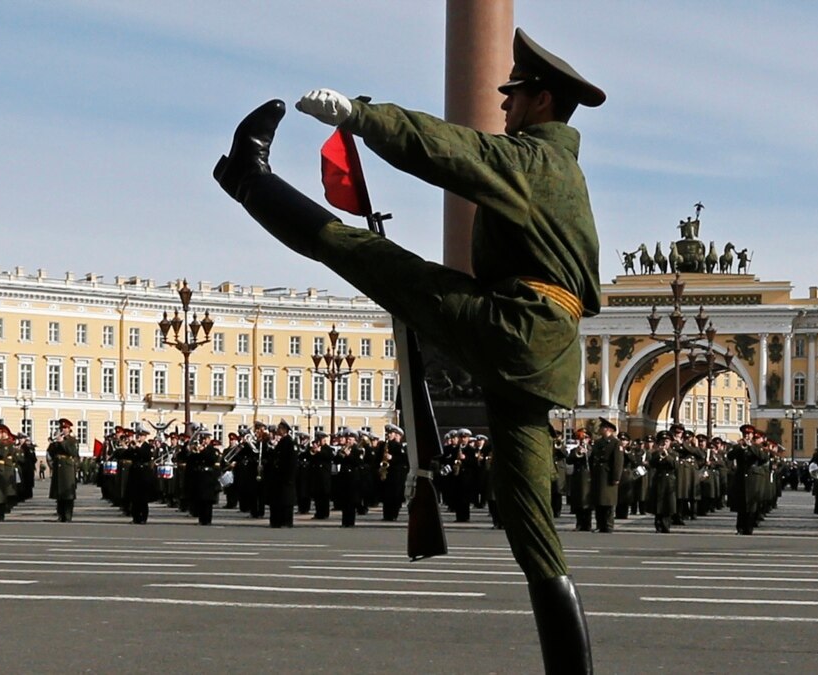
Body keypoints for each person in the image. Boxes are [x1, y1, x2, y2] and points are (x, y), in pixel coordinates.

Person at [213, 27, 602, 671]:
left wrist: (362, 117)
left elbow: (447, 151)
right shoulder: (562, 171)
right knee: (534, 530)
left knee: (373, 258)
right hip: (541, 354)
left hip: (514, 327)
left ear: (540, 101)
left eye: (512, 96)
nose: (502, 107)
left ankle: (248, 177)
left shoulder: (536, 161)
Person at [587, 419, 623, 533]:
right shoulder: (598, 442)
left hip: (608, 476)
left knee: (608, 502)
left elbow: (618, 461)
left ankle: (608, 525)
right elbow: (592, 458)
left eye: (602, 427)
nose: (600, 429)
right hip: (598, 475)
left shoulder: (615, 443)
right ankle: (599, 524)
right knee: (598, 501)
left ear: (608, 429)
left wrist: (616, 477)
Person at [48, 418, 79, 522]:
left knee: (68, 494)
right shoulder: (58, 440)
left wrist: (62, 443)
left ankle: (68, 515)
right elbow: (51, 453)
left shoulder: (72, 440)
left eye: (65, 428)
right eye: (62, 428)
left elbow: (72, 452)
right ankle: (60, 515)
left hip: (68, 468)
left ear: (69, 429)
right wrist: (54, 442)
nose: (63, 430)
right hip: (58, 467)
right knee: (59, 493)